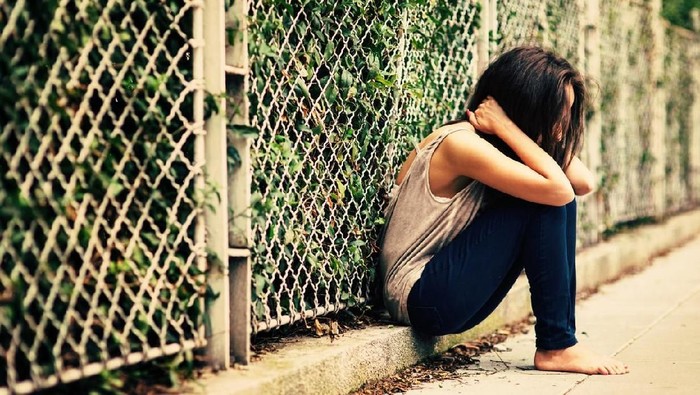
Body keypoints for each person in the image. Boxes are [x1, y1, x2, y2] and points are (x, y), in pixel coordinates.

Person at [379, 46, 629, 375]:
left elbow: (583, 182)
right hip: (420, 297)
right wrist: (510, 128)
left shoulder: (498, 145)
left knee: (552, 195)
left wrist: (515, 133)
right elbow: (561, 191)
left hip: (444, 296)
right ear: (525, 105)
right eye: (557, 113)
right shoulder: (460, 144)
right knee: (548, 199)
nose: (560, 130)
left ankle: (559, 343)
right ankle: (557, 346)